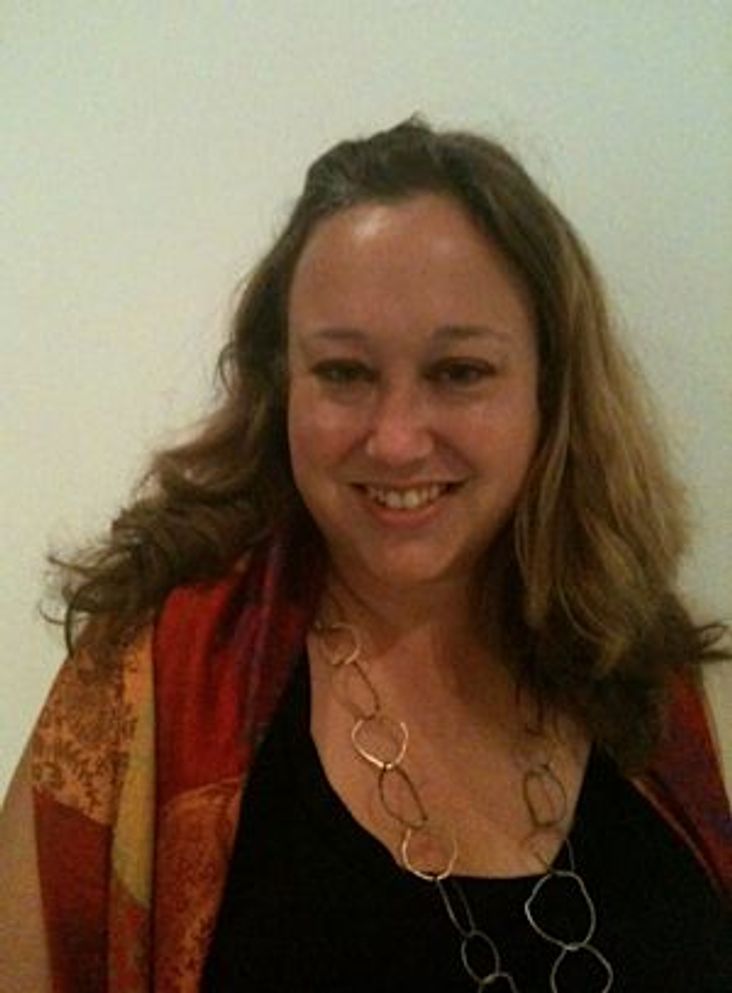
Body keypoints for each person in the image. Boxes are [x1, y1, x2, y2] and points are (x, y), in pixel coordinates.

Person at [1, 118, 730, 993]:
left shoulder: (665, 682)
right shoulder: (143, 689)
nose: (395, 440)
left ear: (552, 386)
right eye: (345, 373)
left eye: (460, 371)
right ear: (282, 385)